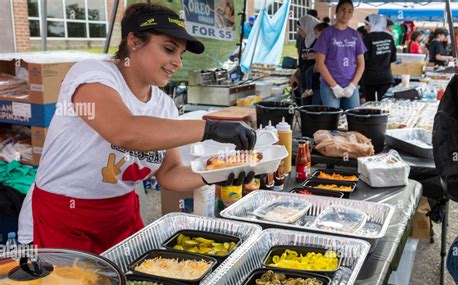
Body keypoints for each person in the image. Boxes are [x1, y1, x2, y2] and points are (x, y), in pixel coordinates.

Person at [17, 3, 256, 253]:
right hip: (64, 217)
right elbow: (125, 132)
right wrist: (210, 129)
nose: (177, 62)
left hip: (120, 220)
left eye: (181, 54)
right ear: (133, 41)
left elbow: (170, 173)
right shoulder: (92, 75)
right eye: (168, 49)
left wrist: (219, 172)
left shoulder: (164, 106)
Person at [314, 0, 366, 110]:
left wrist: (353, 85)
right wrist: (334, 86)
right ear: (336, 12)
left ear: (352, 14)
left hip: (351, 85)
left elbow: (361, 64)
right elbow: (320, 63)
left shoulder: (355, 35)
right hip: (329, 85)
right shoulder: (327, 33)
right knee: (332, 121)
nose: (345, 14)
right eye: (342, 10)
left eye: (349, 11)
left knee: (354, 120)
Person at [362, 14, 396, 102]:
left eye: (367, 25)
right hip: (386, 77)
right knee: (385, 106)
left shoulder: (367, 38)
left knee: (370, 106)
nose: (365, 28)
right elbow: (393, 58)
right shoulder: (389, 37)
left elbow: (364, 58)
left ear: (373, 23)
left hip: (370, 78)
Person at [291, 15, 319, 105]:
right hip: (304, 82)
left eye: (300, 29)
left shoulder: (319, 40)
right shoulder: (304, 41)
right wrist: (295, 74)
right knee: (304, 109)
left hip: (317, 83)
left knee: (315, 110)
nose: (299, 32)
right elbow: (301, 61)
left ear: (307, 26)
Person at [301, 22, 329, 103]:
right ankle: (309, 89)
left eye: (317, 33)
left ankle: (309, 89)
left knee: (308, 73)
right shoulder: (319, 41)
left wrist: (317, 62)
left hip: (322, 79)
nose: (316, 36)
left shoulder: (327, 42)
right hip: (318, 66)